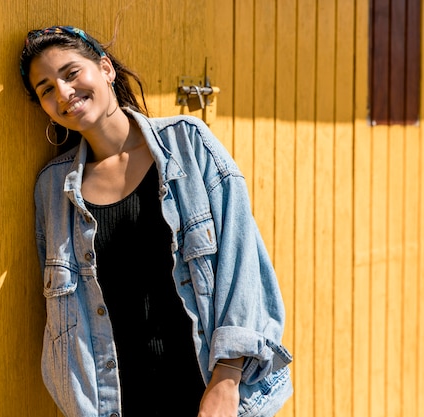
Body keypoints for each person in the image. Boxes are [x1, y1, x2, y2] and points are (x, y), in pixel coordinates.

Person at [19, 25, 293, 417]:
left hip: (208, 397)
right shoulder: (54, 189)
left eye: (71, 73)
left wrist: (227, 381)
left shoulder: (188, 143)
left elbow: (241, 258)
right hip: (116, 405)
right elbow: (62, 325)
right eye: (46, 89)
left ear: (105, 69)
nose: (63, 93)